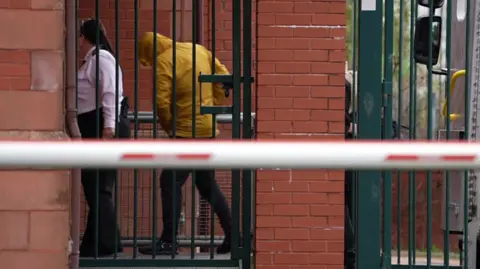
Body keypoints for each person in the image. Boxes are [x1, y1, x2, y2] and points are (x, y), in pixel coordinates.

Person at [137, 32, 233, 255]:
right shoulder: (198, 49)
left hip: (186, 130)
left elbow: (162, 102)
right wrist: (213, 105)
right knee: (206, 184)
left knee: (169, 181)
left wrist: (170, 127)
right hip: (207, 127)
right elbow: (223, 75)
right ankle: (233, 234)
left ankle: (169, 242)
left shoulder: (164, 60)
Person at [77, 18, 130, 257]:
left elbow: (111, 94)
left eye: (79, 38)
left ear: (83, 38)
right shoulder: (93, 60)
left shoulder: (101, 60)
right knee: (96, 186)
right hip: (95, 125)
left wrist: (108, 129)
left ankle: (107, 244)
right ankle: (94, 245)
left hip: (102, 126)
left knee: (98, 187)